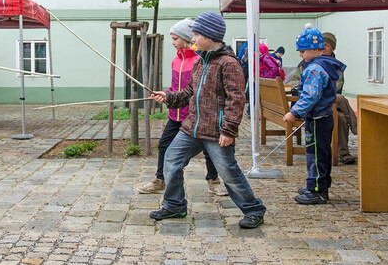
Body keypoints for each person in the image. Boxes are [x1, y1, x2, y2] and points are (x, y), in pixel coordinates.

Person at [149, 12, 266, 229]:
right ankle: (175, 205)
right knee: (171, 159)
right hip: (191, 128)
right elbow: (189, 92)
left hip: (216, 131)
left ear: (210, 36)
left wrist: (229, 130)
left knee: (228, 172)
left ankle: (253, 209)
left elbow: (236, 99)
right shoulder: (200, 62)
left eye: (196, 35)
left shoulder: (228, 64)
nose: (193, 39)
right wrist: (168, 96)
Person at [136, 18, 227, 197]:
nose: (172, 42)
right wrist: (165, 94)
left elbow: (193, 90)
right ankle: (160, 180)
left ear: (186, 39)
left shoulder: (198, 60)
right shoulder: (175, 61)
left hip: (193, 115)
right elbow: (175, 88)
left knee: (209, 149)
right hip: (175, 114)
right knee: (164, 145)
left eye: (175, 38)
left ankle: (213, 180)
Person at [283, 26, 346, 204]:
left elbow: (311, 96)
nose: (301, 55)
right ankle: (319, 185)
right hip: (324, 117)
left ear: (315, 49)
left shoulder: (314, 69)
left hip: (318, 118)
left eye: (303, 51)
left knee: (316, 154)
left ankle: (317, 190)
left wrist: (294, 112)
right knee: (322, 152)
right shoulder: (324, 65)